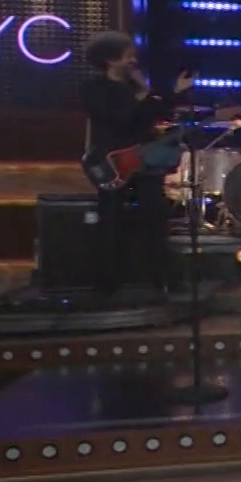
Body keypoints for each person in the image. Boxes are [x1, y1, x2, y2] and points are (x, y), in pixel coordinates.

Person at [79, 32, 193, 298]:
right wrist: (145, 96)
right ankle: (107, 285)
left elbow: (152, 115)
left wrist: (171, 95)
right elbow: (121, 118)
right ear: (110, 59)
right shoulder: (94, 89)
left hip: (144, 161)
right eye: (128, 55)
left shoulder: (134, 87)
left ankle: (163, 280)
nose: (134, 60)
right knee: (111, 221)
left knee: (155, 217)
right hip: (112, 162)